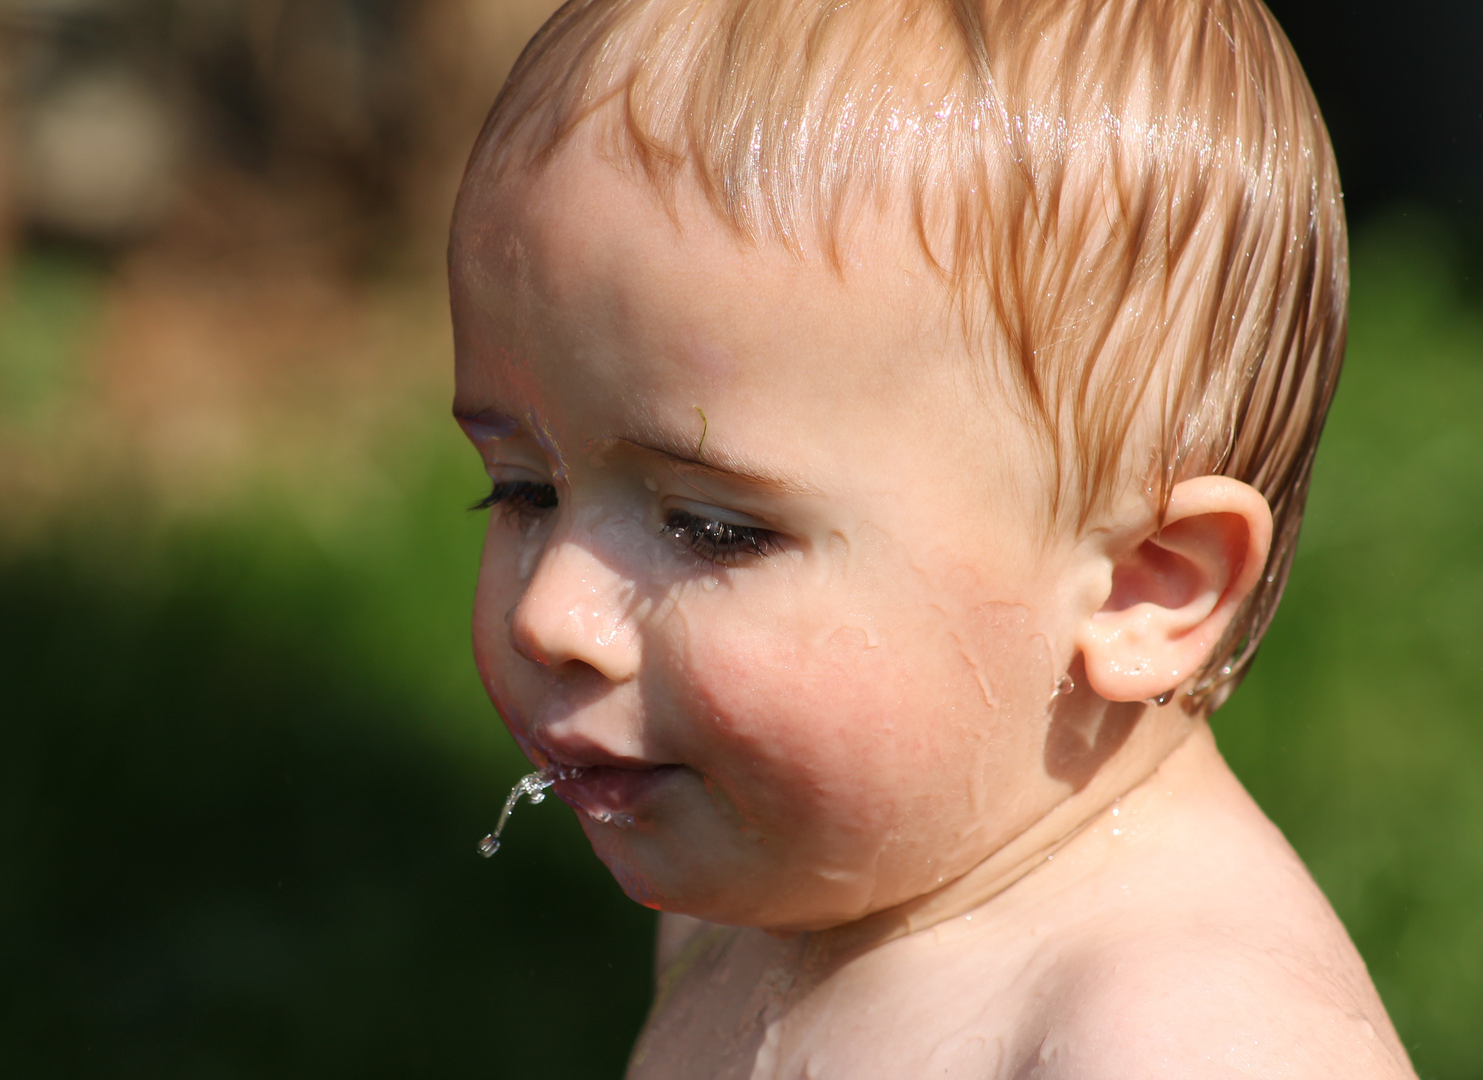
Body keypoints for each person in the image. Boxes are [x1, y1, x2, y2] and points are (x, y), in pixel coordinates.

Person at [448, 0, 1415, 1074]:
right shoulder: (760, 887)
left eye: (712, 529)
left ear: (1143, 586)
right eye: (524, 491)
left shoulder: (1180, 1038)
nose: (551, 615)